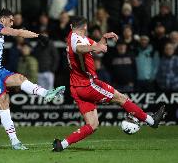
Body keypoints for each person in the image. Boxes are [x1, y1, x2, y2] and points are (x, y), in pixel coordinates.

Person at [51, 17, 165, 152]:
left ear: (71, 26)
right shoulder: (76, 38)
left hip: (76, 87)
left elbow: (99, 48)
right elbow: (79, 48)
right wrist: (95, 46)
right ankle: (151, 121)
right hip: (88, 84)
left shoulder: (77, 37)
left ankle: (62, 144)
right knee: (121, 98)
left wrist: (103, 39)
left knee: (92, 125)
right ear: (86, 27)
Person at [0, 8, 65, 150]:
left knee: (20, 78)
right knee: (4, 103)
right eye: (11, 19)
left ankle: (46, 94)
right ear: (3, 19)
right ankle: (14, 141)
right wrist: (38, 36)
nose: (12, 22)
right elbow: (18, 33)